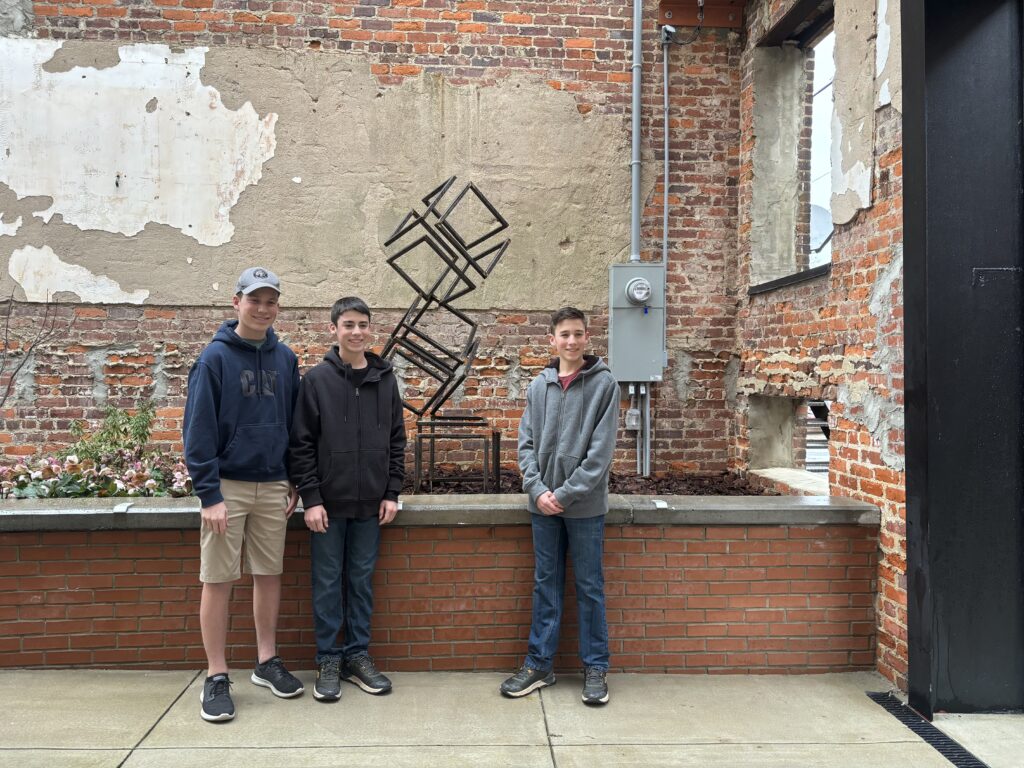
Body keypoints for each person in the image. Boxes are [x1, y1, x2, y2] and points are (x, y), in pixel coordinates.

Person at [183, 266, 304, 723]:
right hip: (227, 487)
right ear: (236, 302)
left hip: (272, 483)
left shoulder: (285, 359)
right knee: (218, 579)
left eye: (271, 301)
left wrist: (291, 479)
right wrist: (209, 494)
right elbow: (197, 432)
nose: (264, 308)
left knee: (268, 574)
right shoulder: (214, 359)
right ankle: (216, 675)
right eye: (255, 299)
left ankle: (266, 661)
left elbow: (294, 426)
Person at [288, 296, 406, 702]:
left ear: (371, 329)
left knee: (360, 582)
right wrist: (312, 498)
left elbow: (396, 440)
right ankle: (328, 660)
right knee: (325, 583)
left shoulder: (385, 379)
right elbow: (301, 444)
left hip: (371, 506)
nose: (357, 332)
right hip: (328, 507)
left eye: (363, 325)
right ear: (334, 329)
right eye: (349, 325)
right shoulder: (316, 381)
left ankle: (357, 655)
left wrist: (392, 491)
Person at [501, 306, 620, 706]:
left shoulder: (605, 385)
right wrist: (537, 491)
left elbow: (600, 455)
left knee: (590, 588)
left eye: (578, 334)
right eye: (564, 334)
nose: (571, 341)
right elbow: (526, 445)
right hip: (542, 507)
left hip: (584, 508)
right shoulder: (540, 386)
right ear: (551, 340)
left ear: (588, 338)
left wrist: (563, 495)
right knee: (545, 585)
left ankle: (595, 668)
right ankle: (539, 665)